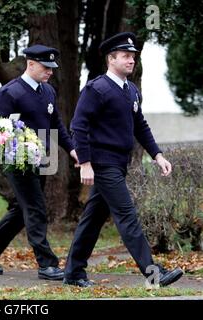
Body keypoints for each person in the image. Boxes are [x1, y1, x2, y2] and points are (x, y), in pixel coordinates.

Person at [63, 32, 183, 287]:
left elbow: (140, 125)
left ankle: (73, 273)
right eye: (126, 56)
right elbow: (78, 126)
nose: (131, 61)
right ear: (111, 59)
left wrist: (158, 155)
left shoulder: (131, 91)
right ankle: (154, 274)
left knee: (92, 220)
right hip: (103, 164)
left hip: (119, 163)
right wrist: (85, 163)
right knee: (127, 216)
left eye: (133, 57)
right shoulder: (97, 89)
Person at [0, 44, 78, 281]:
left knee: (22, 210)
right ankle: (46, 264)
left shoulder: (48, 91)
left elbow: (57, 126)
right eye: (46, 66)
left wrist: (72, 149)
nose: (50, 71)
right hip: (17, 162)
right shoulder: (10, 92)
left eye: (52, 67)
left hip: (39, 160)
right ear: (30, 64)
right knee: (36, 208)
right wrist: (17, 152)